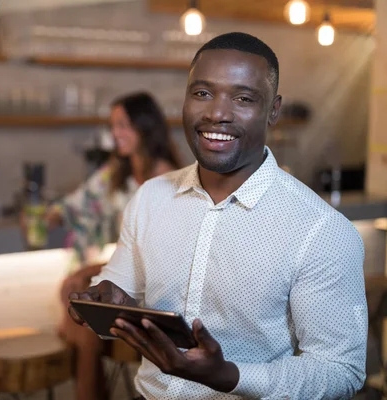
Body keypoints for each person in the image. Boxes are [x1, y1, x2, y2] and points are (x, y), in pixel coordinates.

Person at [69, 32, 368, 399]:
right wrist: (106, 298)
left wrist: (230, 376)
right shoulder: (149, 198)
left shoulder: (321, 230)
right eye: (202, 93)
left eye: (243, 98)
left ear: (273, 110)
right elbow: (119, 289)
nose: (217, 113)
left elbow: (340, 371)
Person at [53, 92, 182, 400]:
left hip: (157, 281)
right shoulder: (119, 171)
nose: (115, 134)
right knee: (73, 292)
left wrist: (92, 268)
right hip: (130, 269)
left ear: (144, 127)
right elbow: (81, 200)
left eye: (123, 125)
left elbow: (154, 253)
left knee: (79, 303)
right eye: (113, 126)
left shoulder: (165, 177)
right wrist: (51, 215)